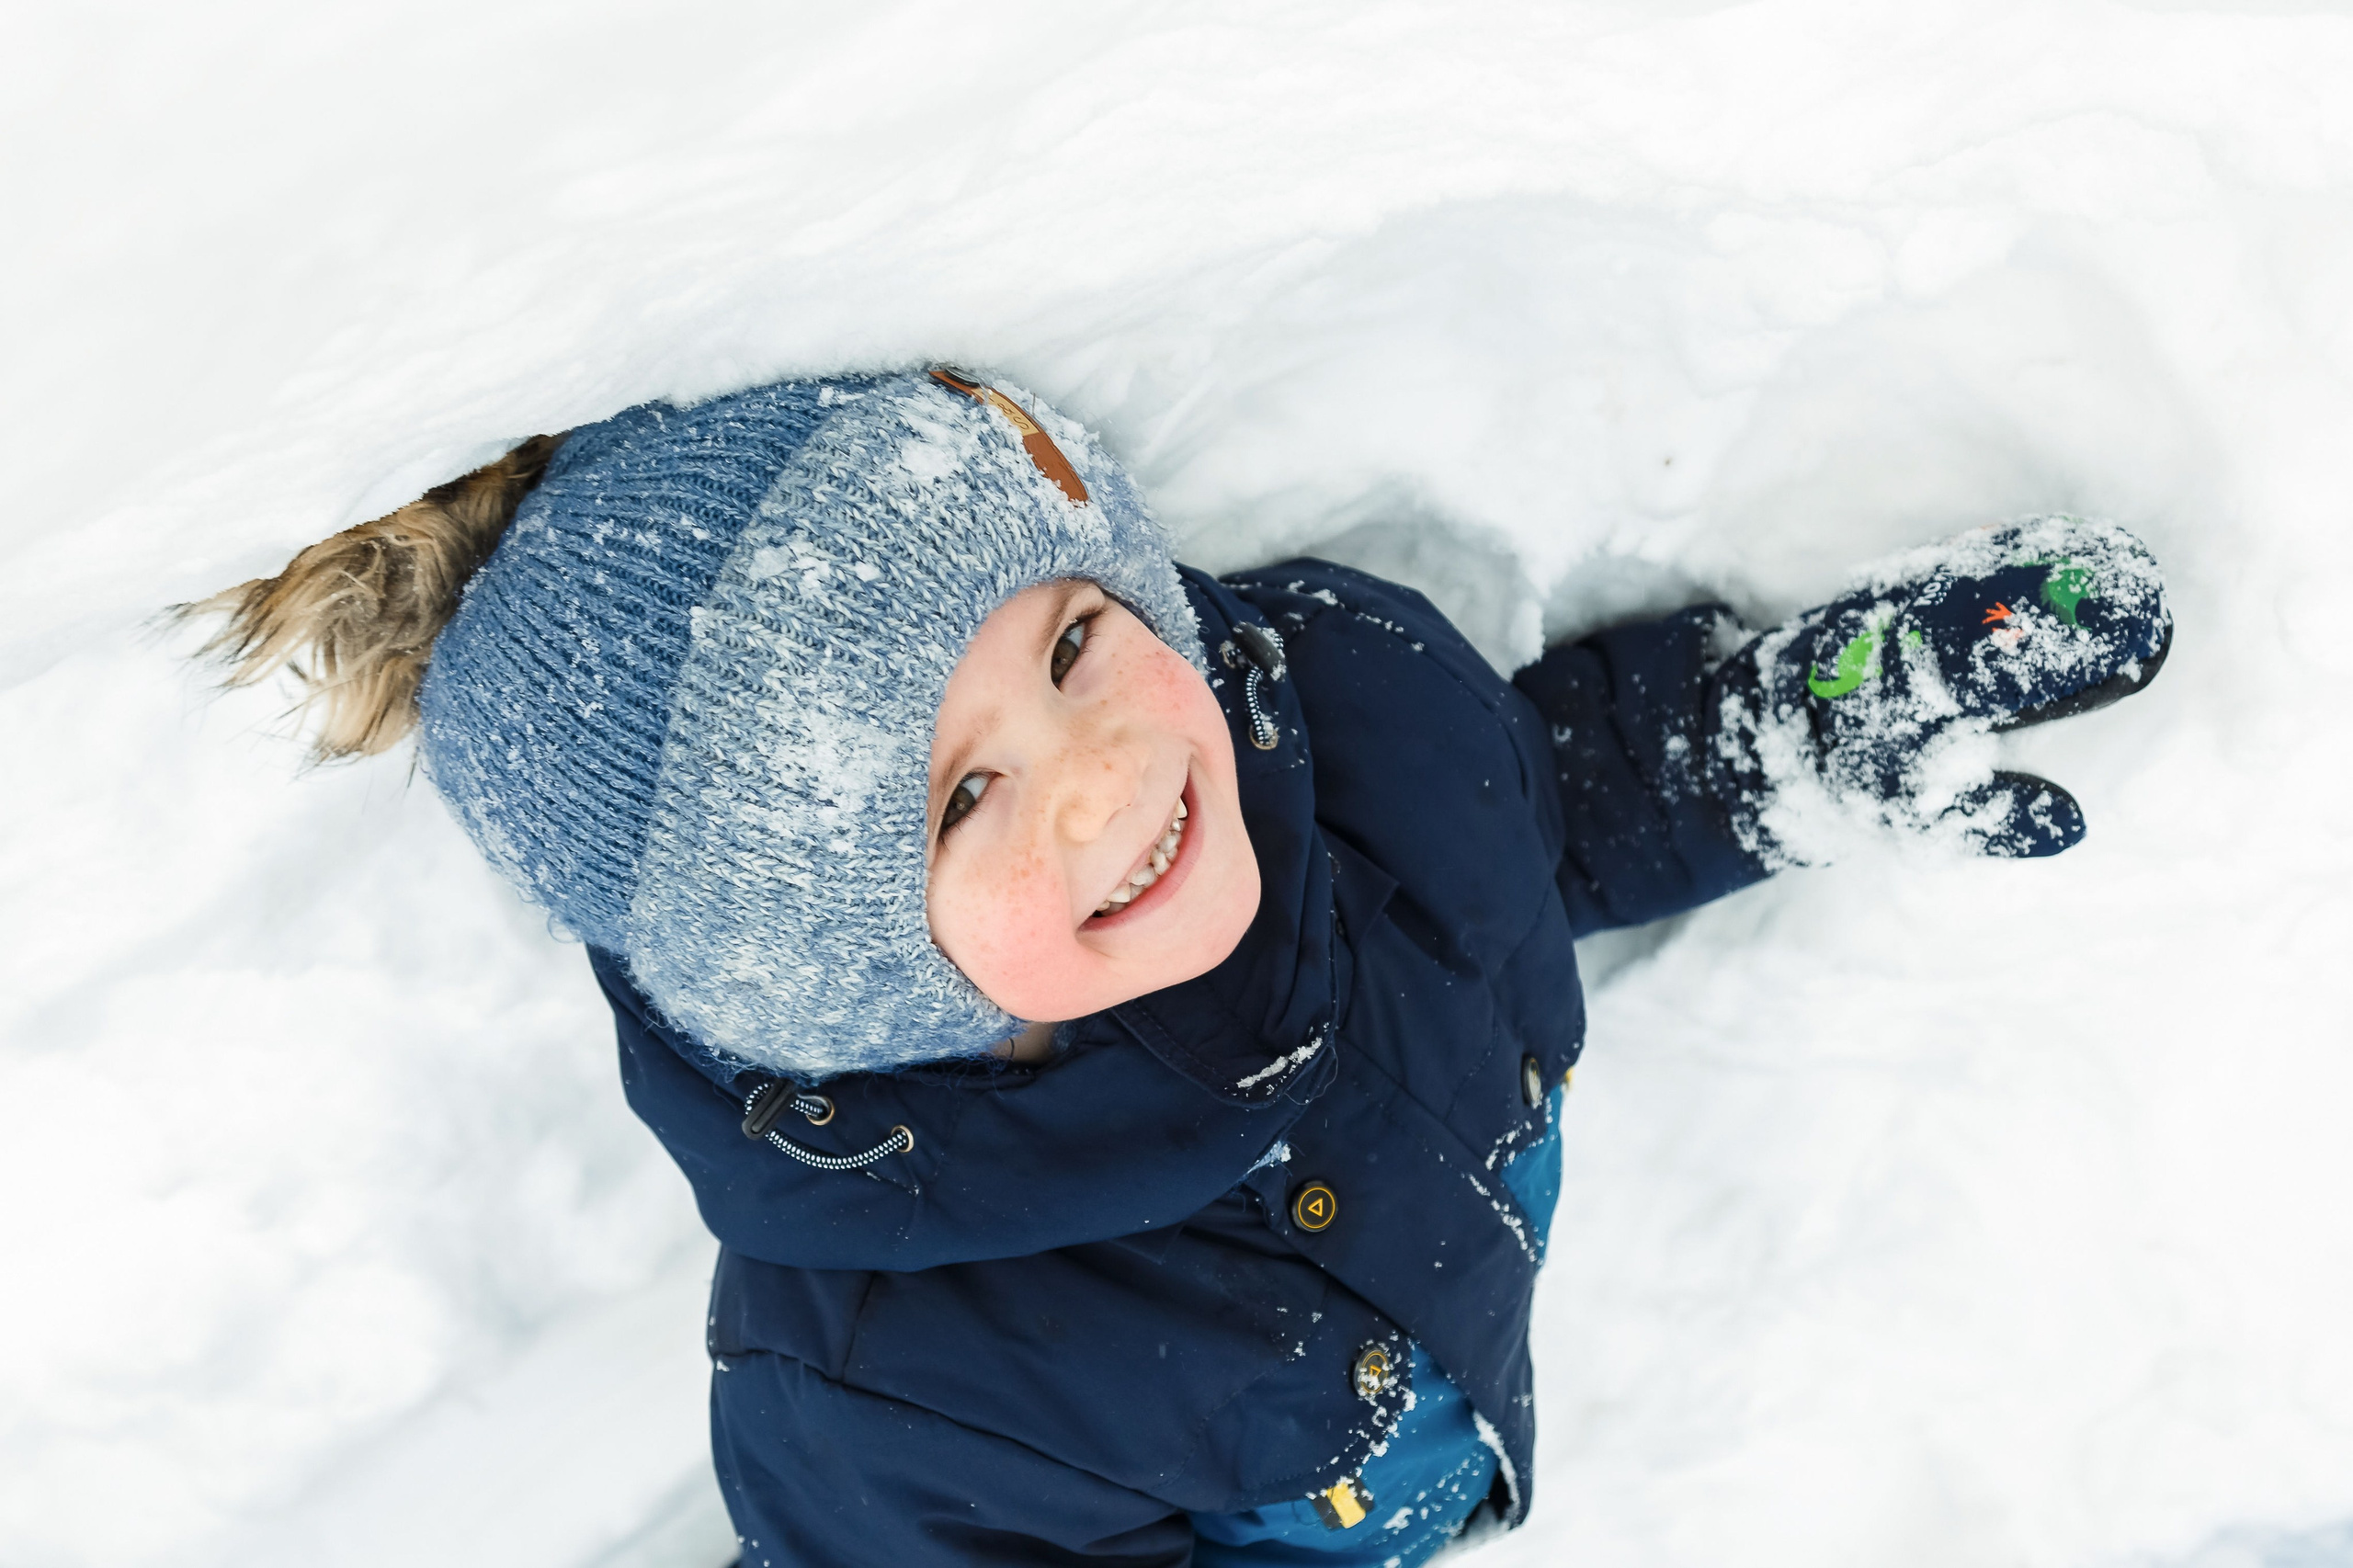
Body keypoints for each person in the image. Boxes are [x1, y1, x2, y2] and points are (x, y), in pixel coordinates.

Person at [188, 369, 2169, 1565]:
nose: (1102, 772)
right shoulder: (891, 1397)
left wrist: (1766, 741)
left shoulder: (1345, 720)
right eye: (962, 796)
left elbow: (1532, 816)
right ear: (829, 974)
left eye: (1070, 642)